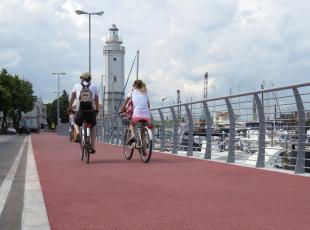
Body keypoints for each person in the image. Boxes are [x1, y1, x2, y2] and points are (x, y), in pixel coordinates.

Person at [67, 72, 99, 153]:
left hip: (80, 111)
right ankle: (92, 146)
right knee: (93, 126)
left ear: (82, 78)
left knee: (76, 123)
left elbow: (72, 98)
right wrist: (97, 110)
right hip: (90, 112)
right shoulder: (94, 87)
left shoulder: (76, 86)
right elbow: (96, 100)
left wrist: (70, 108)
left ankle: (78, 133)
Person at [120, 79, 151, 144]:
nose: (133, 86)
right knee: (142, 131)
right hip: (147, 116)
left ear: (135, 85)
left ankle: (133, 136)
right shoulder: (145, 92)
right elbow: (148, 105)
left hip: (137, 115)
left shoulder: (132, 91)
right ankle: (144, 151)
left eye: (133, 85)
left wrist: (121, 110)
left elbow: (125, 103)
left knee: (131, 124)